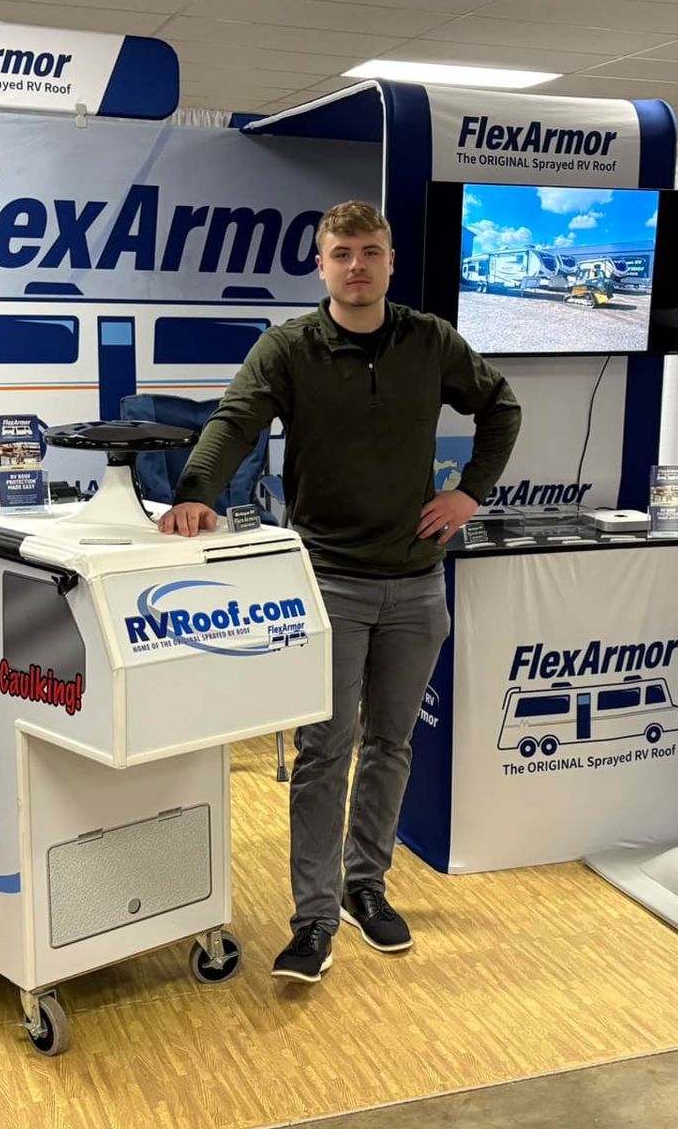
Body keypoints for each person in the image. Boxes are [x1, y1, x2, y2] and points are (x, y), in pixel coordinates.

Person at [160, 199, 521, 983]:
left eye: (371, 251)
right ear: (321, 266)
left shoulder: (430, 342)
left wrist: (471, 495)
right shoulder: (290, 348)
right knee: (325, 753)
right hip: (327, 583)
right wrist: (198, 490)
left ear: (391, 262)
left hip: (419, 585)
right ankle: (313, 918)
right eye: (341, 253)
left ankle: (367, 886)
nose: (357, 265)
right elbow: (235, 422)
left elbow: (501, 407)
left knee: (392, 745)